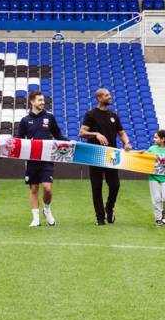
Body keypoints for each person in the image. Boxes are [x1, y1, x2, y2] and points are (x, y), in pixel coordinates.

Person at [79, 88, 132, 225]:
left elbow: (121, 133)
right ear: (99, 98)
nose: (110, 97)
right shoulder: (90, 115)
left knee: (115, 185)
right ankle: (100, 218)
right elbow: (82, 132)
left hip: (111, 155)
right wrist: (95, 134)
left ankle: (109, 207)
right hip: (95, 154)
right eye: (107, 95)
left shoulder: (113, 115)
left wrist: (126, 143)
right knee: (96, 187)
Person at [16, 90, 67, 227]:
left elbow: (58, 135)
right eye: (39, 100)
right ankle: (36, 219)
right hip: (32, 159)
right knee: (33, 189)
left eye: (43, 100)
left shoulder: (49, 117)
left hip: (47, 158)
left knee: (47, 188)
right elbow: (19, 140)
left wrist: (69, 143)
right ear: (32, 102)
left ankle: (47, 210)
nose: (43, 102)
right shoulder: (25, 120)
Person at [146, 130, 165, 227]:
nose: (154, 139)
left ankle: (164, 213)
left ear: (163, 139)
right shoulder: (152, 149)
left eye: (156, 137)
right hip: (153, 177)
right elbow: (143, 156)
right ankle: (158, 219)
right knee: (156, 199)